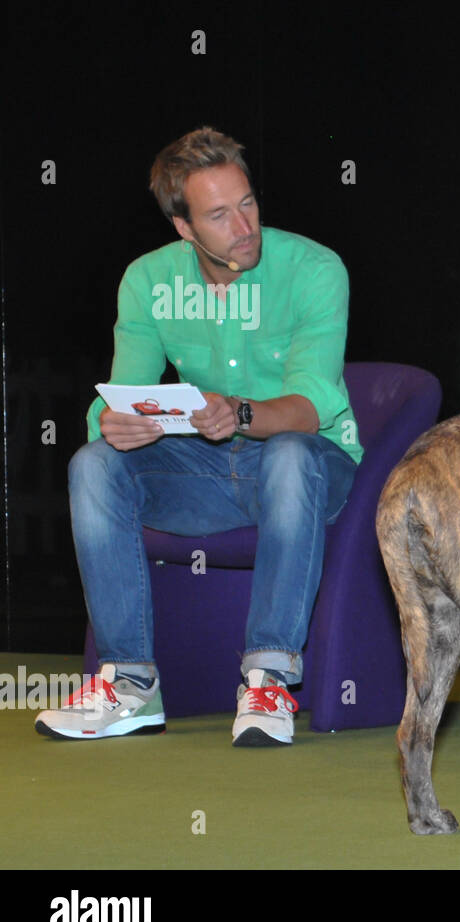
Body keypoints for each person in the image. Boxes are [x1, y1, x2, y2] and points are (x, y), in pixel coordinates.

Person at [35, 127, 362, 746]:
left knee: (289, 454)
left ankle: (268, 680)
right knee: (94, 463)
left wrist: (240, 413)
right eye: (219, 215)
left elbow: (312, 405)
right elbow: (122, 392)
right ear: (183, 228)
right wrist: (114, 422)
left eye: (248, 203)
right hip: (208, 472)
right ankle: (129, 684)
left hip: (313, 470)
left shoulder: (316, 269)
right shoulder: (148, 280)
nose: (244, 226)